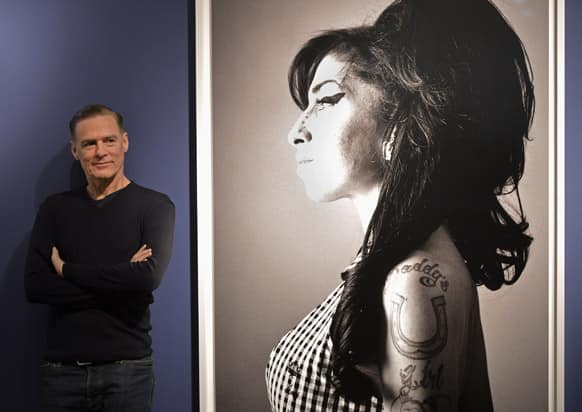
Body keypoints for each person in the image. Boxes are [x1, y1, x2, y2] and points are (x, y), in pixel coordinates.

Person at [265, 0, 534, 410]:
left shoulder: (415, 281)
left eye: (328, 99)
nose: (295, 132)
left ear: (397, 126)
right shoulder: (390, 267)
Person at [25, 104, 175, 411]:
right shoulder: (55, 209)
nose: (100, 151)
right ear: (75, 151)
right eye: (89, 144)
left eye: (108, 140)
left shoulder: (155, 206)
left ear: (125, 142)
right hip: (61, 373)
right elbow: (36, 287)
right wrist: (122, 281)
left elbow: (148, 278)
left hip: (128, 372)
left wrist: (67, 270)